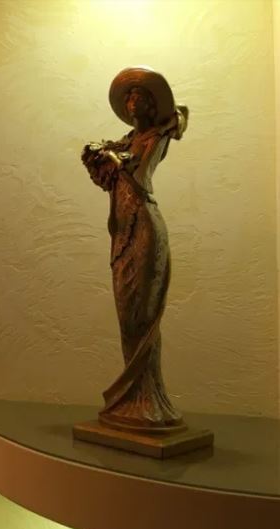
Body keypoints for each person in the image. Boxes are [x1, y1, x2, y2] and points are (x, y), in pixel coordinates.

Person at [81, 67, 189, 433]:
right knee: (127, 315)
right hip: (122, 231)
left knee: (143, 316)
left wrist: (113, 159)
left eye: (138, 97)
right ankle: (132, 400)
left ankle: (150, 401)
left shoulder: (156, 136)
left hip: (145, 227)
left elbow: (140, 178)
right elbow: (109, 176)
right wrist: (103, 157)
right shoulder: (125, 142)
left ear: (151, 104)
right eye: (128, 98)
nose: (131, 103)